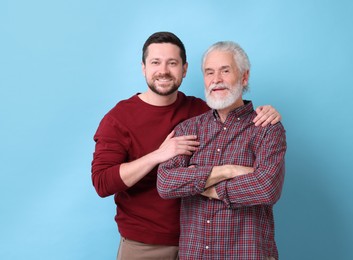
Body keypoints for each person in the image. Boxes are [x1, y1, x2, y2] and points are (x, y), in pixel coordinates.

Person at [91, 32, 282, 260]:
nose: (163, 70)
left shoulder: (201, 112)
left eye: (172, 63)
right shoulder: (120, 118)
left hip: (198, 242)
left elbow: (265, 184)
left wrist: (267, 113)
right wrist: (159, 156)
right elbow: (105, 182)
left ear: (184, 69)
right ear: (143, 68)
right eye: (155, 62)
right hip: (146, 244)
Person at [157, 41, 287, 260]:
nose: (216, 79)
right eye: (209, 73)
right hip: (195, 254)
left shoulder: (266, 128)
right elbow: (166, 183)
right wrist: (228, 171)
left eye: (225, 71)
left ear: (244, 77)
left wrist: (203, 186)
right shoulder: (188, 128)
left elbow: (266, 187)